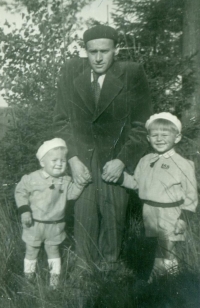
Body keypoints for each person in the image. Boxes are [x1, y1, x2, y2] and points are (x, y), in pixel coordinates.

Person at [54, 25, 152, 273]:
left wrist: (122, 160)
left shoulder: (132, 74)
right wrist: (73, 159)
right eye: (92, 51)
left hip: (115, 158)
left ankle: (111, 267)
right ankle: (84, 269)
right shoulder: (70, 73)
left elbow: (142, 126)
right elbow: (61, 121)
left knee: (114, 213)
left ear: (115, 50)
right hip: (82, 158)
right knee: (84, 212)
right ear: (84, 51)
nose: (98, 58)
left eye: (104, 51)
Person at [119, 112, 198, 282]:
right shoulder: (146, 160)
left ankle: (170, 280)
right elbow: (136, 183)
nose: (159, 139)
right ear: (148, 138)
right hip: (149, 211)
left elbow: (191, 193)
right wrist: (120, 178)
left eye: (165, 135)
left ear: (177, 138)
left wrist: (184, 217)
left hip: (170, 212)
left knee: (168, 246)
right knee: (154, 245)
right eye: (155, 135)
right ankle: (158, 278)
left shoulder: (182, 164)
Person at [15, 138, 90, 289]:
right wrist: (24, 210)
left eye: (63, 160)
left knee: (53, 251)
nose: (59, 163)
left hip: (56, 225)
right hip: (34, 223)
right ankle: (28, 281)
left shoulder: (66, 180)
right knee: (31, 251)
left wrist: (81, 183)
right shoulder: (32, 178)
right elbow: (20, 192)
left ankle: (54, 284)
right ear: (42, 162)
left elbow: (72, 195)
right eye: (54, 160)